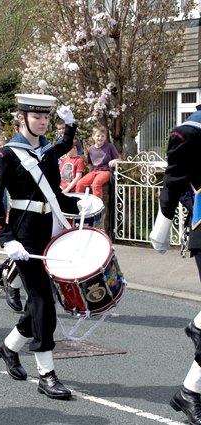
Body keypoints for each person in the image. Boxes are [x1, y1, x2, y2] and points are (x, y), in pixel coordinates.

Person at [0, 93, 93, 400]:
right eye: (37, 117)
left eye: (47, 118)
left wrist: (81, 204)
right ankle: (47, 374)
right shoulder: (6, 155)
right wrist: (8, 241)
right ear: (22, 118)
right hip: (24, 234)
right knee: (43, 301)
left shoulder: (46, 151)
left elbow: (55, 194)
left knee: (38, 301)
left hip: (50, 231)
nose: (43, 122)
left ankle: (9, 348)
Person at [150, 108, 201, 425]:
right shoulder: (191, 130)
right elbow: (175, 178)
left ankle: (190, 390)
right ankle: (191, 391)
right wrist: (163, 219)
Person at [75, 125, 120, 200]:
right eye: (98, 136)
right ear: (93, 136)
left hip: (105, 171)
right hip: (94, 171)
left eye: (102, 136)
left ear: (105, 137)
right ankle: (78, 202)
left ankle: (98, 206)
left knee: (95, 184)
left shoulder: (109, 147)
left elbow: (118, 159)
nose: (100, 138)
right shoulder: (90, 150)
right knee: (80, 184)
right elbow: (90, 164)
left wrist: (114, 161)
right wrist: (89, 175)